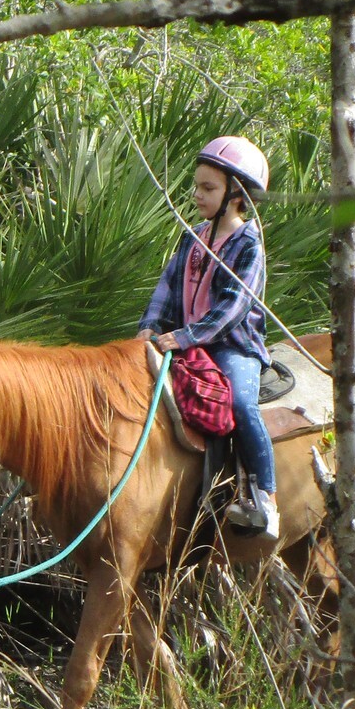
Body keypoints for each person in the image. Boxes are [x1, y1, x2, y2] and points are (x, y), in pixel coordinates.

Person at [135, 136, 278, 539]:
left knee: (240, 402)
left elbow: (233, 308)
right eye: (196, 185)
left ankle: (265, 497)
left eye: (208, 188)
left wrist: (185, 336)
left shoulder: (249, 243)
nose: (197, 194)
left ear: (237, 195)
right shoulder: (193, 235)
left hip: (231, 345)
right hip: (183, 341)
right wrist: (150, 325)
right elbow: (167, 285)